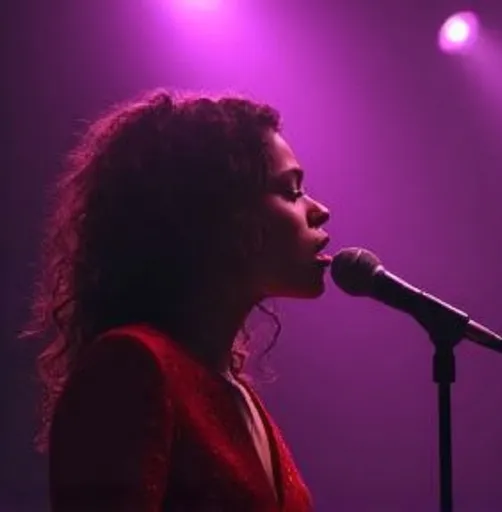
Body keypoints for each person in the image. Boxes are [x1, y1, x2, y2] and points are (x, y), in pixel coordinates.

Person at [26, 89, 332, 511]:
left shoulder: (238, 395)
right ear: (224, 216)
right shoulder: (131, 363)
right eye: (291, 191)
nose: (320, 211)